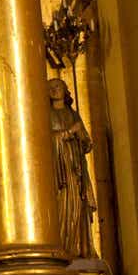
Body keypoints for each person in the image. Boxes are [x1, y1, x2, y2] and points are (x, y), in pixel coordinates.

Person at [48, 77, 98, 263]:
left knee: (78, 205)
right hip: (59, 169)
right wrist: (68, 133)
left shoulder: (73, 114)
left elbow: (87, 142)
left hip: (76, 167)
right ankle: (63, 246)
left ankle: (80, 247)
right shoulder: (46, 114)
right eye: (51, 87)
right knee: (63, 206)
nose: (55, 90)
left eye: (58, 86)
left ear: (65, 90)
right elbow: (44, 140)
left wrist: (81, 136)